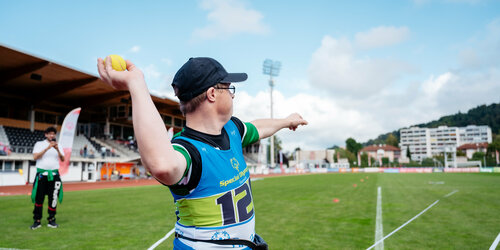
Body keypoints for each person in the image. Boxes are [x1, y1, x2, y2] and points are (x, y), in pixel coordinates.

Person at [97, 56, 307, 249]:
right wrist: (137, 84)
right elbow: (163, 165)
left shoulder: (232, 129)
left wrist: (286, 121)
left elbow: (258, 128)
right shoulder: (188, 151)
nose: (232, 95)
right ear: (212, 93)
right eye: (229, 88)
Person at [30, 126, 65, 230]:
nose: (52, 135)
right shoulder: (39, 144)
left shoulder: (59, 145)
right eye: (50, 133)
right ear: (46, 135)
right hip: (42, 176)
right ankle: (37, 221)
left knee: (53, 198)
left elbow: (63, 159)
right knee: (39, 198)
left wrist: (57, 149)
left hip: (54, 176)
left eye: (53, 134)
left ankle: (51, 220)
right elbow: (35, 157)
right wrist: (47, 148)